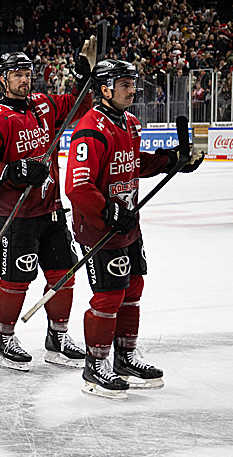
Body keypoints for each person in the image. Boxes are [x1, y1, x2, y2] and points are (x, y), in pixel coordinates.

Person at [66, 59, 205, 399]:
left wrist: (170, 161)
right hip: (100, 228)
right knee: (110, 294)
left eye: (132, 83)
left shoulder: (129, 122)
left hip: (128, 224)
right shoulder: (90, 128)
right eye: (125, 84)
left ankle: (125, 357)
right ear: (104, 89)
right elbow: (78, 187)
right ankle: (95, 364)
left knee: (133, 287)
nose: (133, 89)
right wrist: (109, 212)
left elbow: (133, 161)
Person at [0, 43, 95, 372]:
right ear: (2, 79)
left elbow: (80, 106)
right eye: (17, 75)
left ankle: (58, 337)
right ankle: (3, 336)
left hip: (51, 209)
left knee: (63, 274)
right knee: (17, 278)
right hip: (15, 213)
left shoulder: (42, 105)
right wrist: (14, 170)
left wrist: (84, 71)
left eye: (28, 74)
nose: (25, 81)